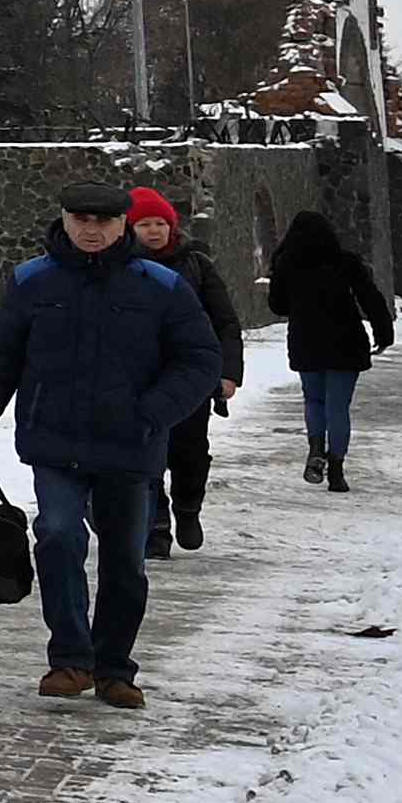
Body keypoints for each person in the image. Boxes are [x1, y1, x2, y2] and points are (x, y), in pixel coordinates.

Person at [0, 178, 223, 711]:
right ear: (65, 219)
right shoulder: (32, 282)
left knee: (124, 558)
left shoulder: (161, 286)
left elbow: (200, 359)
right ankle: (71, 660)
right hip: (54, 440)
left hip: (130, 446)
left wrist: (153, 412)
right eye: (81, 220)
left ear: (123, 223)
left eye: (103, 221)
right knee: (57, 536)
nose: (91, 230)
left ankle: (115, 668)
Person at [123, 187, 246, 553]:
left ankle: (188, 508)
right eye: (144, 223)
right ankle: (156, 524)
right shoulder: (120, 267)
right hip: (140, 377)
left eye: (160, 222)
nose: (154, 230)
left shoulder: (196, 263)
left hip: (190, 375)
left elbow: (224, 321)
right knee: (144, 452)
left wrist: (228, 372)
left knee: (189, 451)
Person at [264, 208, 397, 489]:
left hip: (305, 341)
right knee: (338, 406)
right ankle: (336, 467)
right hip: (345, 342)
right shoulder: (345, 262)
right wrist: (383, 332)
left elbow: (277, 306)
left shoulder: (286, 263)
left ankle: (315, 449)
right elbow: (370, 298)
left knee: (314, 400)